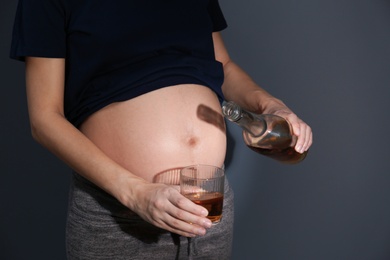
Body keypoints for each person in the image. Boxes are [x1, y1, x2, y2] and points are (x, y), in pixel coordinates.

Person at [10, 0, 312, 259]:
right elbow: (45, 120)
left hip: (209, 206)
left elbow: (224, 65)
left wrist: (271, 105)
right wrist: (135, 193)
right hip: (120, 213)